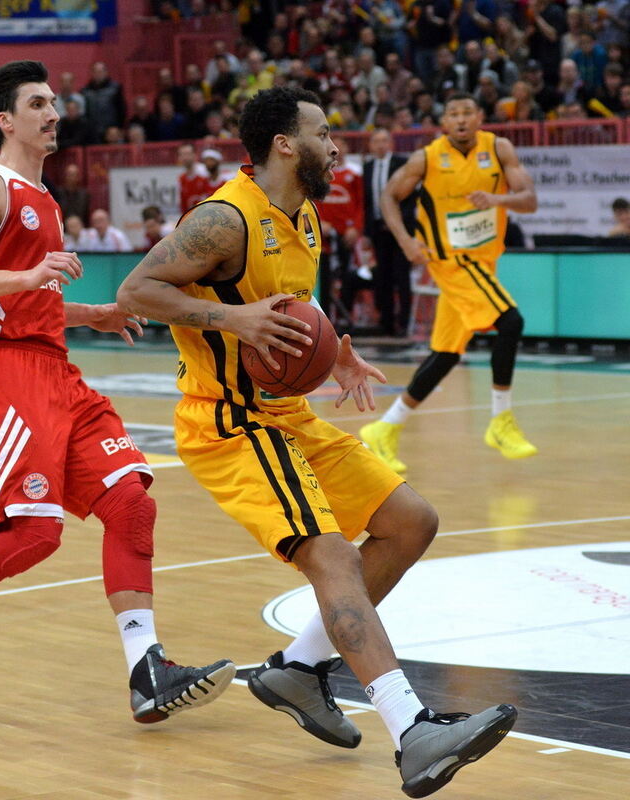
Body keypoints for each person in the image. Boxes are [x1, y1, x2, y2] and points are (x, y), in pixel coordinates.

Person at [116, 86, 517, 799]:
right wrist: (233, 320)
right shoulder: (223, 218)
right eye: (325, 133)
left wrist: (333, 353)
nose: (337, 146)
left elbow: (294, 309)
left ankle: (298, 670)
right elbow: (138, 292)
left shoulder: (304, 217)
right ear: (285, 144)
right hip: (229, 420)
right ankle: (413, 730)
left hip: (285, 412)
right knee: (329, 552)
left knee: (409, 522)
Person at [0, 60, 235, 723]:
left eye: (55, 101)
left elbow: (27, 300)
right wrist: (30, 278)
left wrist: (90, 311)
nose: (54, 112)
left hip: (56, 370)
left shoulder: (44, 198)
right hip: (5, 375)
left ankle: (146, 672)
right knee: (35, 534)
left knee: (131, 501)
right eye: (38, 102)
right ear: (6, 120)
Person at [360, 92, 538, 473]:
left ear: (480, 117)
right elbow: (389, 197)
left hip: (483, 262)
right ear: (443, 122)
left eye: (467, 112)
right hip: (453, 262)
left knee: (445, 355)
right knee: (511, 321)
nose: (460, 119)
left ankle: (384, 428)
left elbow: (529, 200)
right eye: (452, 113)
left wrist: (495, 199)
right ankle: (501, 420)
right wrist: (407, 241)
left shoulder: (500, 148)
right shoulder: (425, 157)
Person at [364, 128, 413, 337]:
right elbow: (366, 202)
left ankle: (403, 323)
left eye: (384, 140)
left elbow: (411, 198)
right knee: (382, 276)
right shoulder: (367, 167)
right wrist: (367, 231)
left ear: (391, 143)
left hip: (400, 229)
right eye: (377, 141)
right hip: (377, 229)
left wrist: (398, 222)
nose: (381, 145)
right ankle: (385, 322)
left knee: (402, 276)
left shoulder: (403, 163)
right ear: (371, 145)